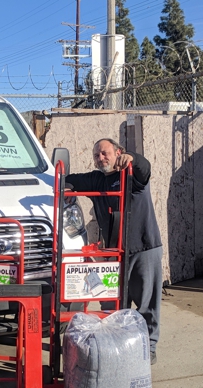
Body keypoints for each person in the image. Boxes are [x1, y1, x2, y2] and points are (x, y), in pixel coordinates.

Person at [66, 138, 162, 365]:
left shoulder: (131, 174)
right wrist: (67, 187)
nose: (101, 158)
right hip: (113, 251)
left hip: (143, 247)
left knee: (147, 302)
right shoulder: (96, 179)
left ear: (118, 152)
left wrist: (133, 158)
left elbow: (144, 168)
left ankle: (148, 350)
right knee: (112, 304)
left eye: (105, 153)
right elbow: (69, 179)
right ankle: (118, 346)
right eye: (97, 155)